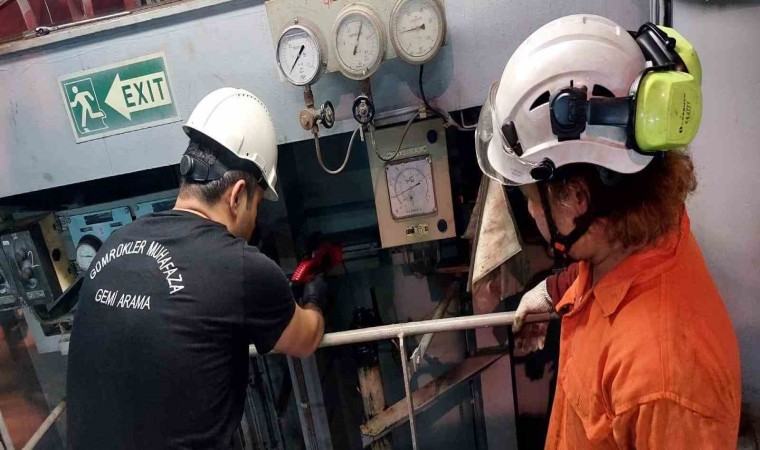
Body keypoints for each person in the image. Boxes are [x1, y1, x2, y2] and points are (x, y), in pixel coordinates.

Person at [477, 15, 741, 448]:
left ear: (575, 198)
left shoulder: (665, 382)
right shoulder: (636, 233)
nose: (530, 210)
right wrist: (553, 290)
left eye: (528, 197)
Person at [66, 88, 327, 449]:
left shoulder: (116, 242)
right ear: (237, 195)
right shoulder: (240, 267)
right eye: (256, 205)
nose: (255, 220)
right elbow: (306, 338)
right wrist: (315, 298)